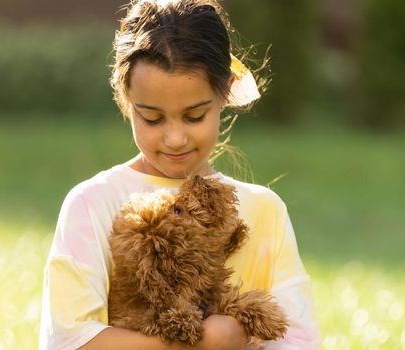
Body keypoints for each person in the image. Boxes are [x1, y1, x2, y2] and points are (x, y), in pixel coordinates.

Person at [38, 0, 320, 349]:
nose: (175, 138)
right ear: (126, 99)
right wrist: (207, 343)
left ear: (225, 91)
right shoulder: (92, 203)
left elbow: (297, 339)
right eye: (152, 119)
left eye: (194, 116)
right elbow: (71, 340)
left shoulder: (264, 211)